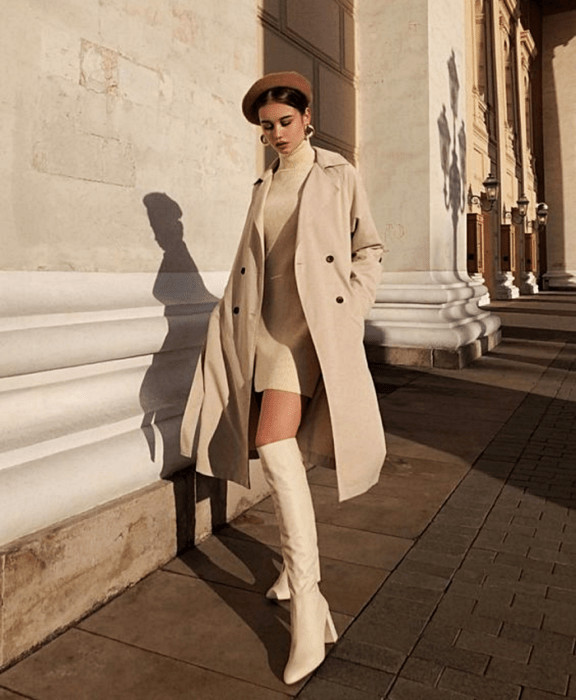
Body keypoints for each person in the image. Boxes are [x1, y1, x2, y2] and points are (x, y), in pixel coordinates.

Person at [181, 71, 386, 684]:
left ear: (306, 119)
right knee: (280, 452)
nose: (274, 134)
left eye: (284, 123)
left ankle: (308, 601)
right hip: (261, 330)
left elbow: (368, 247)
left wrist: (352, 305)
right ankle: (297, 581)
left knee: (272, 445)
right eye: (266, 126)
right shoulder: (262, 183)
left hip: (309, 331)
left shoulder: (337, 174)